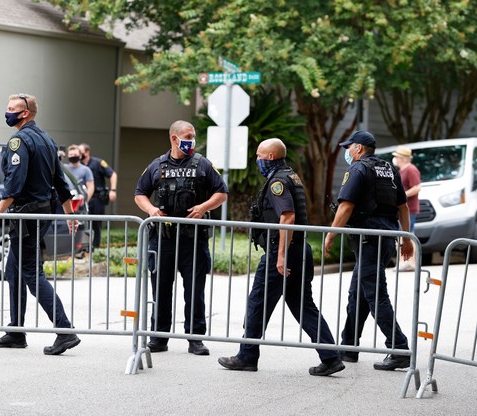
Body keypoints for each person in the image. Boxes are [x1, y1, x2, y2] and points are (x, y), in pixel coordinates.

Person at [218, 139, 344, 376]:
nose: (257, 160)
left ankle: (247, 357)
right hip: (299, 249)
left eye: (259, 155)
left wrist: (280, 256)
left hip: (283, 250)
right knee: (302, 305)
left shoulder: (278, 181)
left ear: (271, 157)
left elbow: (287, 217)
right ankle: (330, 356)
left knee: (257, 302)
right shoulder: (291, 176)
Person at [0, 93, 81, 355]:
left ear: (25, 113)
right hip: (41, 214)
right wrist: (69, 214)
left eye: (11, 109)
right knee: (13, 271)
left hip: (27, 217)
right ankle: (16, 331)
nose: (7, 112)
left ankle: (65, 331)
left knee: (31, 274)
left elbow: (13, 188)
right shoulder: (48, 140)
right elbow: (61, 184)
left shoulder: (19, 141)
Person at [134, 120, 228, 356]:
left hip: (193, 239)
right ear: (174, 139)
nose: (192, 140)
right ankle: (159, 337)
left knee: (194, 290)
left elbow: (222, 192)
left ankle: (195, 338)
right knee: (161, 289)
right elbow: (140, 194)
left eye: (194, 136)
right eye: (188, 136)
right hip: (163, 239)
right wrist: (151, 210)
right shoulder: (157, 165)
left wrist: (204, 206)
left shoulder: (202, 164)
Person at [324, 130, 413, 371]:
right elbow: (403, 206)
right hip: (385, 238)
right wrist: (406, 238)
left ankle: (399, 348)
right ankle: (349, 347)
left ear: (359, 148)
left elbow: (346, 207)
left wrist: (330, 234)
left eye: (349, 147)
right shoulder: (389, 169)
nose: (347, 151)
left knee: (375, 294)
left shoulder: (358, 169)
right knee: (358, 293)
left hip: (368, 240)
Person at [78, 142, 117, 248]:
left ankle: (95, 247)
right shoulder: (79, 165)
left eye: (81, 152)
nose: (79, 154)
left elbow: (112, 174)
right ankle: (83, 247)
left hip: (97, 198)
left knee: (96, 224)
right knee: (82, 223)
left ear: (87, 152)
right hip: (83, 198)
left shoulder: (98, 163)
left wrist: (113, 190)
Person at [392, 146, 420, 271]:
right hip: (402, 209)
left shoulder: (411, 169)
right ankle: (406, 261)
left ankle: (409, 261)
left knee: (407, 235)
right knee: (403, 235)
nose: (395, 159)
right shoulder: (403, 170)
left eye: (397, 156)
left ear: (402, 158)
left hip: (409, 209)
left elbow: (417, 187)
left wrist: (402, 196)